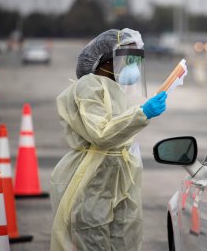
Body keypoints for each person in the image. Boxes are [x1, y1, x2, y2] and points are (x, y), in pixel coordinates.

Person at [50, 28, 167, 251]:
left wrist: (140, 112)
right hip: (93, 179)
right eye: (128, 59)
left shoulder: (117, 90)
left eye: (136, 59)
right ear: (106, 61)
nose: (132, 66)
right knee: (92, 237)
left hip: (120, 176)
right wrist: (142, 113)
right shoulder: (89, 86)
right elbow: (101, 134)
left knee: (127, 238)